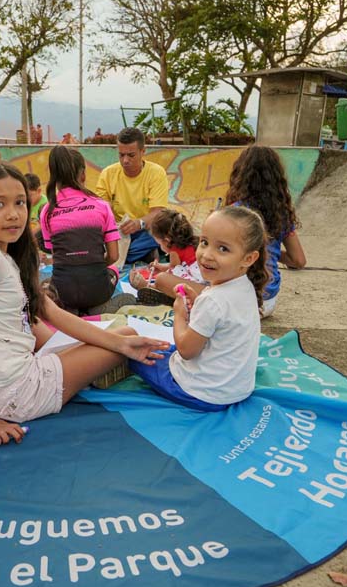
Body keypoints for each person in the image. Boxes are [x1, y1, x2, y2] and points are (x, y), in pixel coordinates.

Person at [0, 161, 169, 447]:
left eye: (19, 203)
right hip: (14, 395)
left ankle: (99, 362)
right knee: (125, 337)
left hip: (12, 374)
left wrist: (117, 345)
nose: (13, 214)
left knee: (122, 340)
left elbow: (51, 311)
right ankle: (101, 368)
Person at [128, 206, 266, 410]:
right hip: (237, 388)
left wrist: (179, 315)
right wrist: (196, 306)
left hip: (201, 393)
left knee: (134, 351)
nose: (207, 255)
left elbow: (186, 350)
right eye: (204, 242)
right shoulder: (244, 287)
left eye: (223, 249)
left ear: (248, 258)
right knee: (160, 349)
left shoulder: (212, 300)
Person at [40, 146, 126, 314]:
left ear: (54, 177)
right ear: (83, 174)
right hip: (97, 291)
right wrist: (95, 266)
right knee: (113, 271)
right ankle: (98, 309)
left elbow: (57, 256)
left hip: (63, 293)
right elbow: (114, 256)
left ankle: (69, 310)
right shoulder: (101, 205)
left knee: (49, 282)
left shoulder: (47, 211)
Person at [225, 145, 306, 318]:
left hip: (240, 302)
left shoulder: (234, 213)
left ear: (240, 174)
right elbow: (298, 260)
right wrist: (272, 251)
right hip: (268, 303)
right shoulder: (282, 214)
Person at [95, 127, 169, 266]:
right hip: (117, 232)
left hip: (145, 230)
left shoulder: (156, 173)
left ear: (143, 151)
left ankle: (127, 254)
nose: (125, 161)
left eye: (131, 155)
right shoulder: (108, 173)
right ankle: (136, 254)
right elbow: (102, 209)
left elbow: (158, 212)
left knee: (163, 234)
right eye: (121, 155)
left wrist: (139, 223)